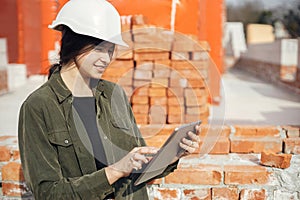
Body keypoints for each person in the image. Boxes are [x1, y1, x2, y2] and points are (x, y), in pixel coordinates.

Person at [18, 0, 201, 199]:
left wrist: (172, 154)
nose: (106, 58)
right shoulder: (38, 107)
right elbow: (48, 193)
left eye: (110, 49)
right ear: (74, 42)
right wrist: (115, 171)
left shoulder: (115, 94)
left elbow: (139, 167)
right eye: (98, 48)